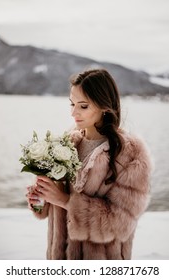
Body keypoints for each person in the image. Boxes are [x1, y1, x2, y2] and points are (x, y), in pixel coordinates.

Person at [26, 68, 152, 260]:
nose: (73, 113)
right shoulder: (66, 142)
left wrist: (65, 201)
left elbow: (121, 223)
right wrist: (41, 198)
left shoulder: (130, 153)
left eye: (83, 106)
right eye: (72, 104)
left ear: (104, 106)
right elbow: (51, 208)